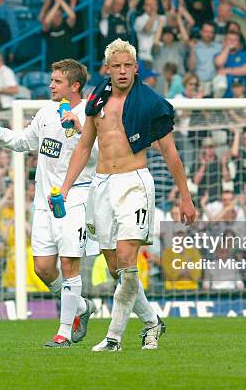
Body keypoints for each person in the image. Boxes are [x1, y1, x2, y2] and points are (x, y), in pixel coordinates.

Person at [59, 39, 196, 351]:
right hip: (101, 184)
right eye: (116, 66)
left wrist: (185, 197)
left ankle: (113, 338)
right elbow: (83, 147)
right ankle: (151, 322)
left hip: (134, 182)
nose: (121, 71)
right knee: (115, 269)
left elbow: (171, 154)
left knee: (126, 259)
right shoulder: (96, 99)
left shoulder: (150, 102)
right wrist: (65, 188)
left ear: (136, 68)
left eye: (127, 66)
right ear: (107, 68)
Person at [0, 59, 99, 347]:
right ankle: (82, 308)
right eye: (52, 79)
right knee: (43, 268)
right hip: (45, 202)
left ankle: (64, 332)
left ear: (74, 86)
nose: (50, 85)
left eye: (57, 81)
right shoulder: (46, 112)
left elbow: (102, 155)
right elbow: (24, 141)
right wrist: (1, 131)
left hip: (76, 198)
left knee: (69, 263)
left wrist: (81, 128)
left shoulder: (91, 112)